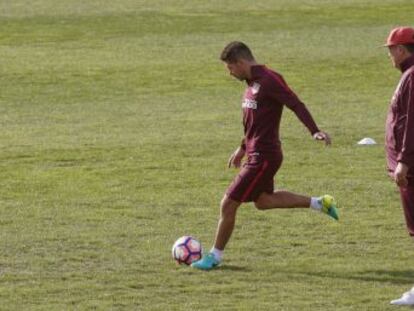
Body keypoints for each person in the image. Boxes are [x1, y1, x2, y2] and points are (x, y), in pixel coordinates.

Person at [191, 41, 339, 271]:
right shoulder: (251, 84)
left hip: (264, 156)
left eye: (230, 68)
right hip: (255, 153)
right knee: (263, 201)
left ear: (241, 63)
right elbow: (254, 123)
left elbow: (295, 103)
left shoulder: (270, 79)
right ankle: (320, 203)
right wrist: (242, 148)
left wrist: (314, 130)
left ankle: (214, 256)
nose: (229, 73)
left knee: (228, 203)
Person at [383, 27, 414, 306]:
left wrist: (404, 161)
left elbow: (412, 122)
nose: (390, 54)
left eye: (391, 49)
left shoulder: (412, 76)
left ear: (401, 49)